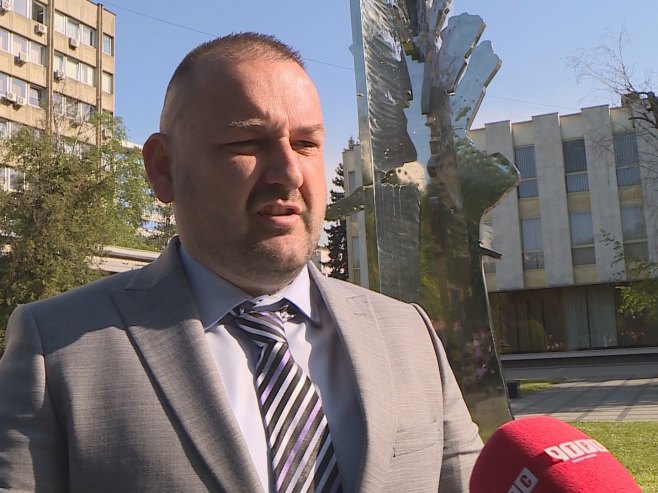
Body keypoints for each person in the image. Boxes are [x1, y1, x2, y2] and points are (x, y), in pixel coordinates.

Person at [0, 33, 483, 492]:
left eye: (306, 143)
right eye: (246, 143)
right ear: (164, 168)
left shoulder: (408, 334)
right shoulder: (56, 349)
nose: (289, 173)